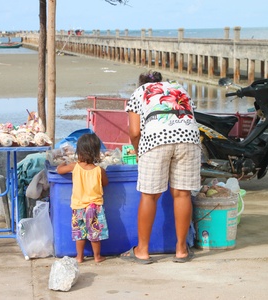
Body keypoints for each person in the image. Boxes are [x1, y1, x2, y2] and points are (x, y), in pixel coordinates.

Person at [120, 70, 201, 264]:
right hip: (189, 139)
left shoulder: (140, 92)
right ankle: (181, 250)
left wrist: (138, 151)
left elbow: (134, 131)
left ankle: (142, 250)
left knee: (150, 195)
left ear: (140, 84)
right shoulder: (177, 87)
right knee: (182, 194)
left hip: (156, 140)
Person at [57, 133, 109, 263]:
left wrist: (62, 163)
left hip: (78, 207)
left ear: (79, 151)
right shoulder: (99, 170)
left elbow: (59, 170)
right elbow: (105, 183)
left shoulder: (75, 166)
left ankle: (79, 257)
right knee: (95, 233)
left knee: (79, 233)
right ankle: (97, 257)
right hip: (94, 207)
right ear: (97, 153)